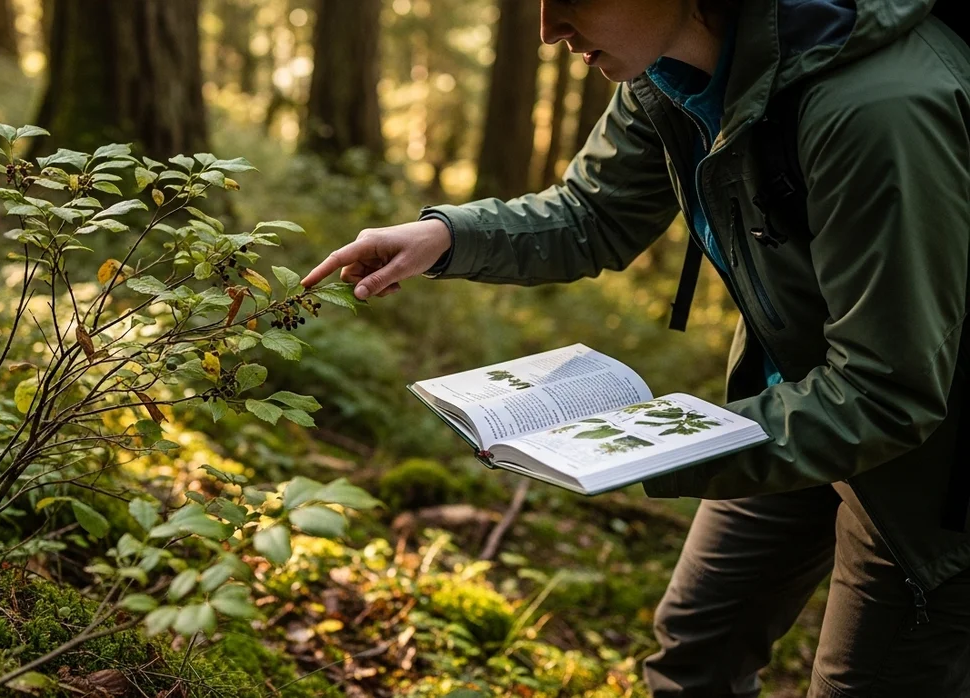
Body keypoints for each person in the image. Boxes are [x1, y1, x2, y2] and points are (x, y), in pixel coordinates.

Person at [301, 0, 970, 694]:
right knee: (693, 653)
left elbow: (888, 393)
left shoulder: (877, 109)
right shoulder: (666, 71)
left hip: (935, 474)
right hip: (792, 400)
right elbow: (595, 213)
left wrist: (651, 447)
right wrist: (446, 239)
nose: (547, 29)